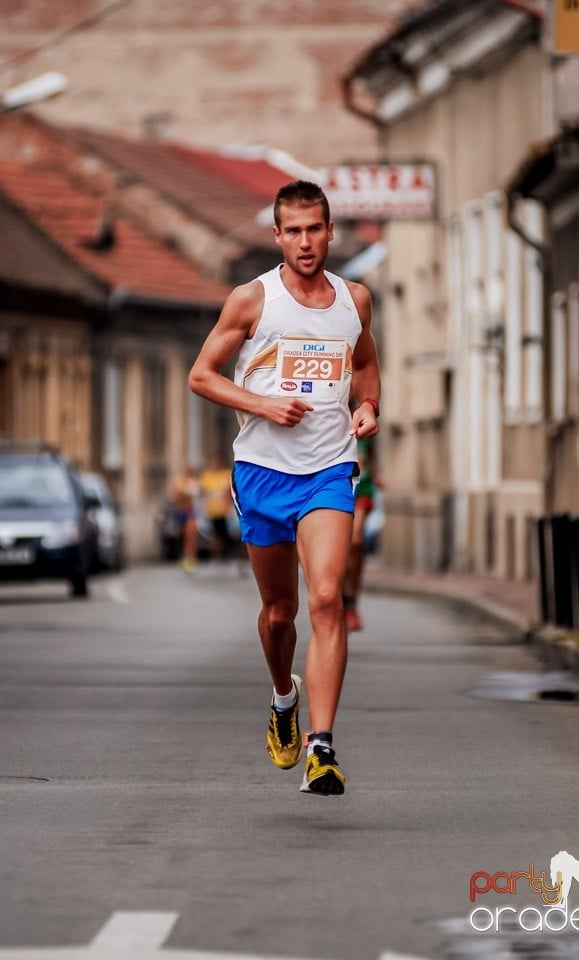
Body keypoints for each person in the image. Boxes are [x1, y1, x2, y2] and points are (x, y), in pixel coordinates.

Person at [189, 180, 380, 796]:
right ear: (277, 237)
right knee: (280, 614)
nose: (305, 241)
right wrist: (262, 404)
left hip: (328, 471)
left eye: (315, 229)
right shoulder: (252, 300)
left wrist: (368, 404)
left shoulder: (355, 300)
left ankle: (321, 748)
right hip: (263, 473)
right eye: (293, 231)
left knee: (327, 598)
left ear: (331, 233)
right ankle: (283, 696)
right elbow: (202, 375)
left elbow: (366, 361)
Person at [343, 437, 378, 632]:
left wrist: (375, 474)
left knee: (355, 542)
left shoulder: (363, 412)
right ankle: (338, 597)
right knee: (339, 549)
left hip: (362, 488)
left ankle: (351, 602)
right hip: (336, 483)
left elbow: (371, 452)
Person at [200, 455, 235, 562]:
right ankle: (216, 556)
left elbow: (230, 489)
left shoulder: (226, 474)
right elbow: (203, 490)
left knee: (226, 534)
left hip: (225, 511)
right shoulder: (207, 475)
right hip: (212, 511)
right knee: (214, 535)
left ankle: (227, 554)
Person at [170, 465, 200, 574]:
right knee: (182, 537)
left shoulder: (193, 482)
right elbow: (175, 496)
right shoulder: (179, 481)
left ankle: (190, 559)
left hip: (190, 512)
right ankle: (185, 557)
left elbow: (195, 495)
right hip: (180, 511)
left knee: (191, 536)